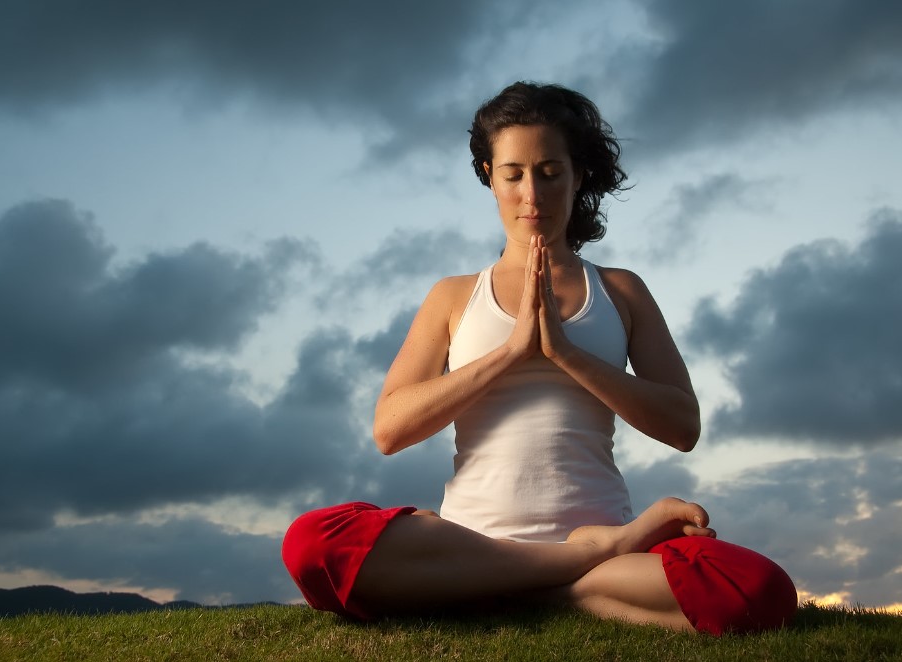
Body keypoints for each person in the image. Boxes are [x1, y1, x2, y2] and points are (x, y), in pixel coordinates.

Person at [282, 82, 797, 636]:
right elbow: (389, 429)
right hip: (474, 542)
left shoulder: (621, 291)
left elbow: (682, 425)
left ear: (578, 175)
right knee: (312, 543)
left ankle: (521, 586)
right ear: (488, 175)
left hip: (596, 538)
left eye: (551, 172)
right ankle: (562, 576)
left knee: (760, 589)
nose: (533, 194)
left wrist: (566, 353)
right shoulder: (453, 296)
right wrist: (510, 352)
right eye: (514, 174)